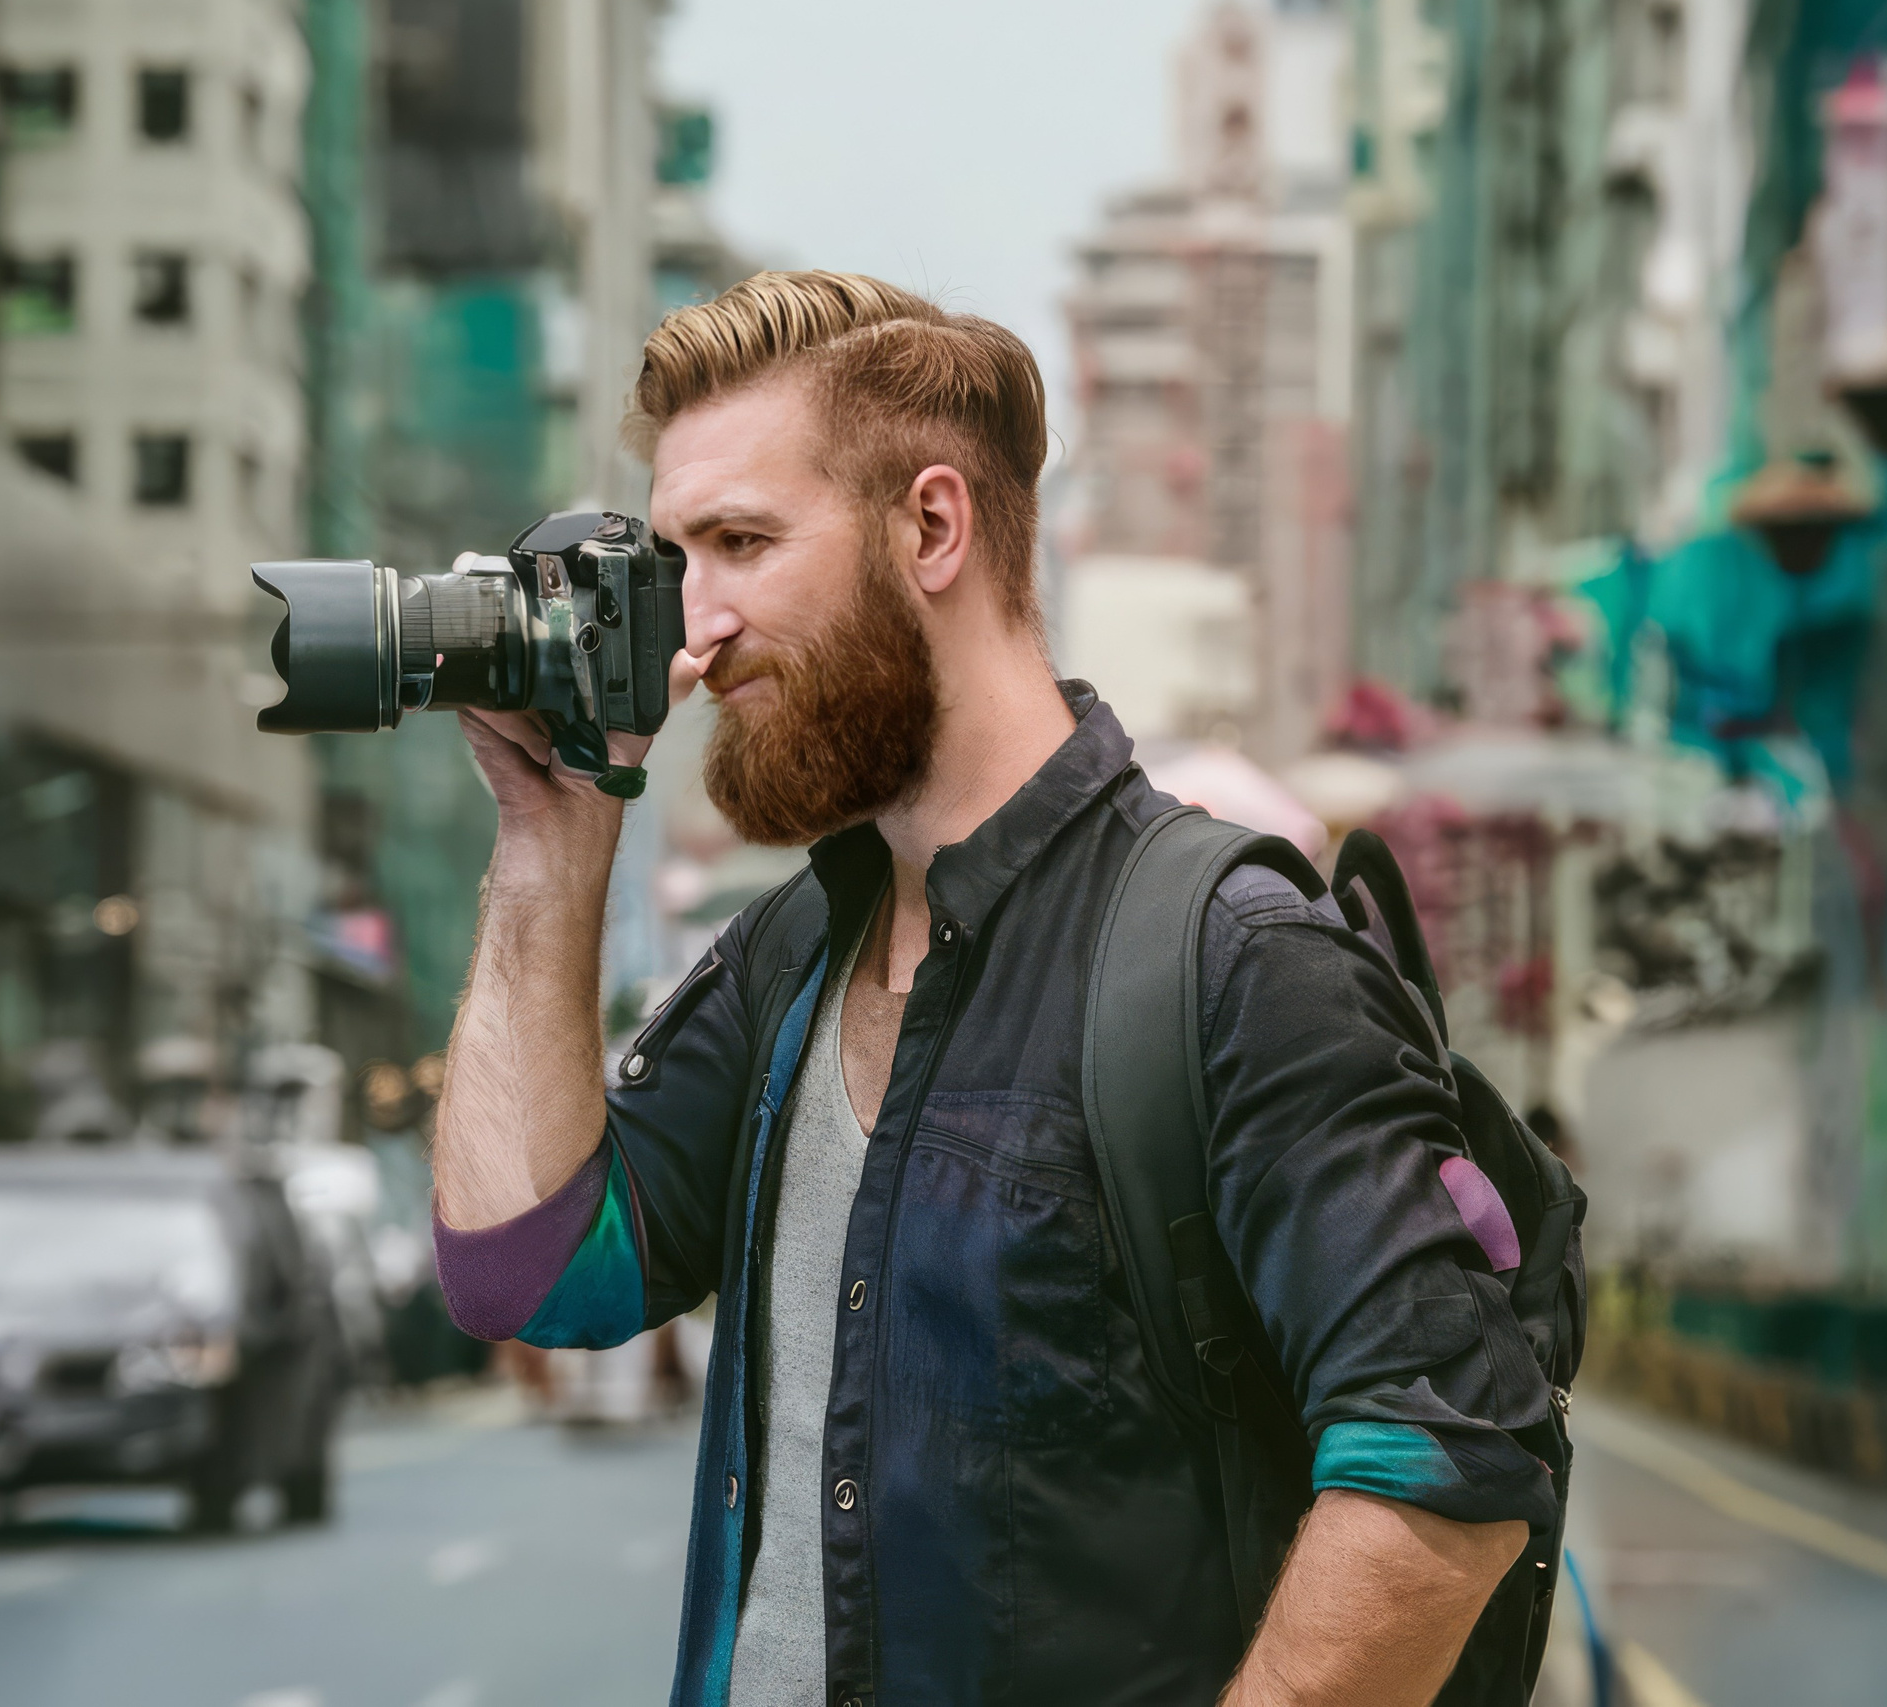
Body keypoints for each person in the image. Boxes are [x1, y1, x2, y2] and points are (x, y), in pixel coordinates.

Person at [430, 272, 1558, 1707]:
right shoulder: (794, 954)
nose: (689, 635)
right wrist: (547, 842)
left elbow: (1445, 1465)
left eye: (740, 545)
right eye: (674, 558)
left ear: (934, 527)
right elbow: (523, 1270)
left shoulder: (1230, 958)